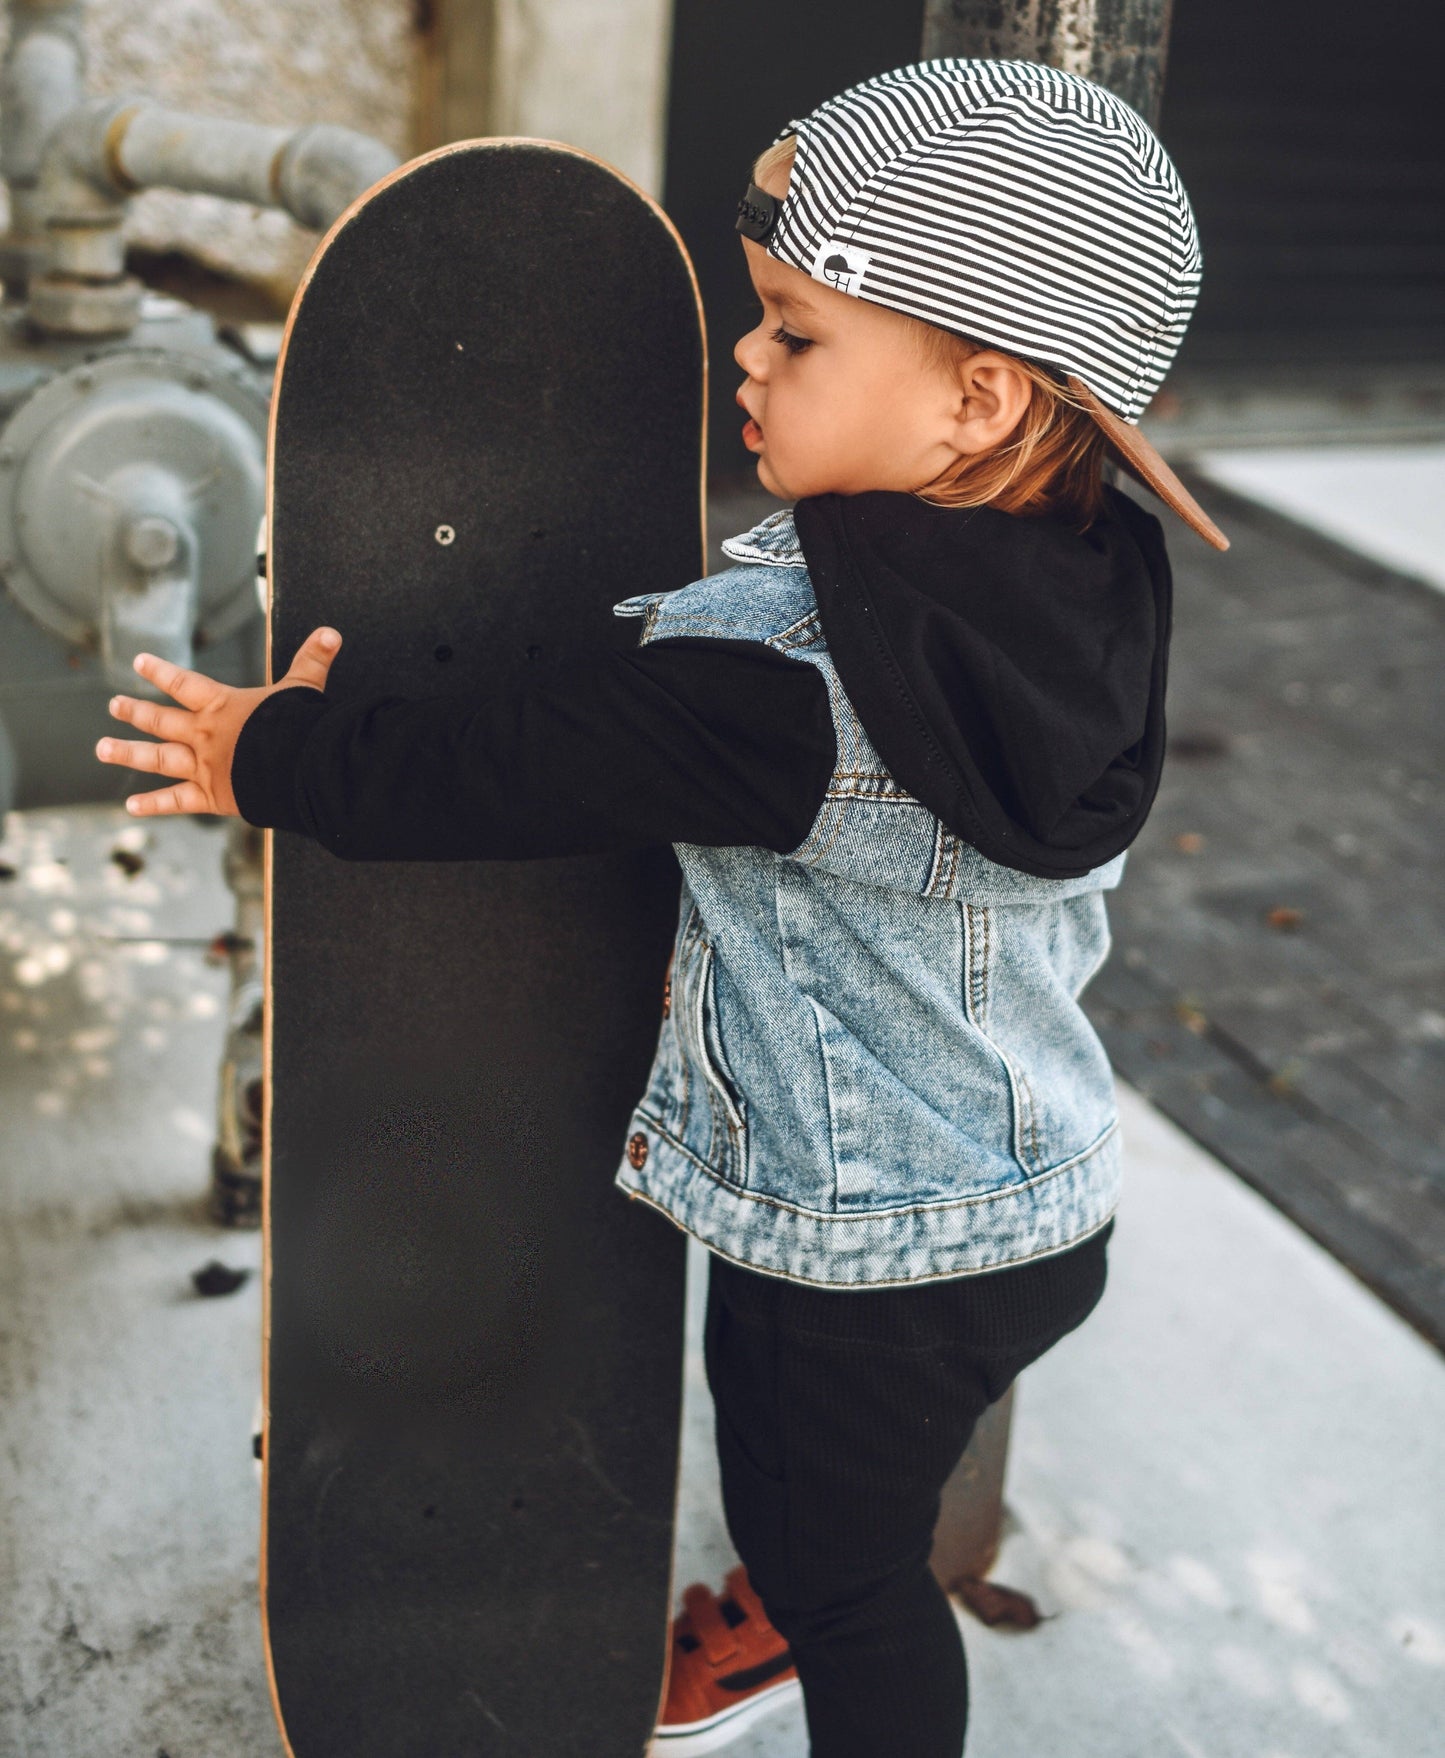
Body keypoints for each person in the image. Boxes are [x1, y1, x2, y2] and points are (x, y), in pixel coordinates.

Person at [97, 60, 1226, 1758]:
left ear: (980, 399)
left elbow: (515, 767)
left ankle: (804, 1597)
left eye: (796, 329)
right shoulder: (1087, 567)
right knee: (859, 1489)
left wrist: (280, 755)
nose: (744, 357)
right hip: (1031, 1195)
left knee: (851, 1573)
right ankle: (808, 1559)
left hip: (859, 1255)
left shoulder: (779, 692)